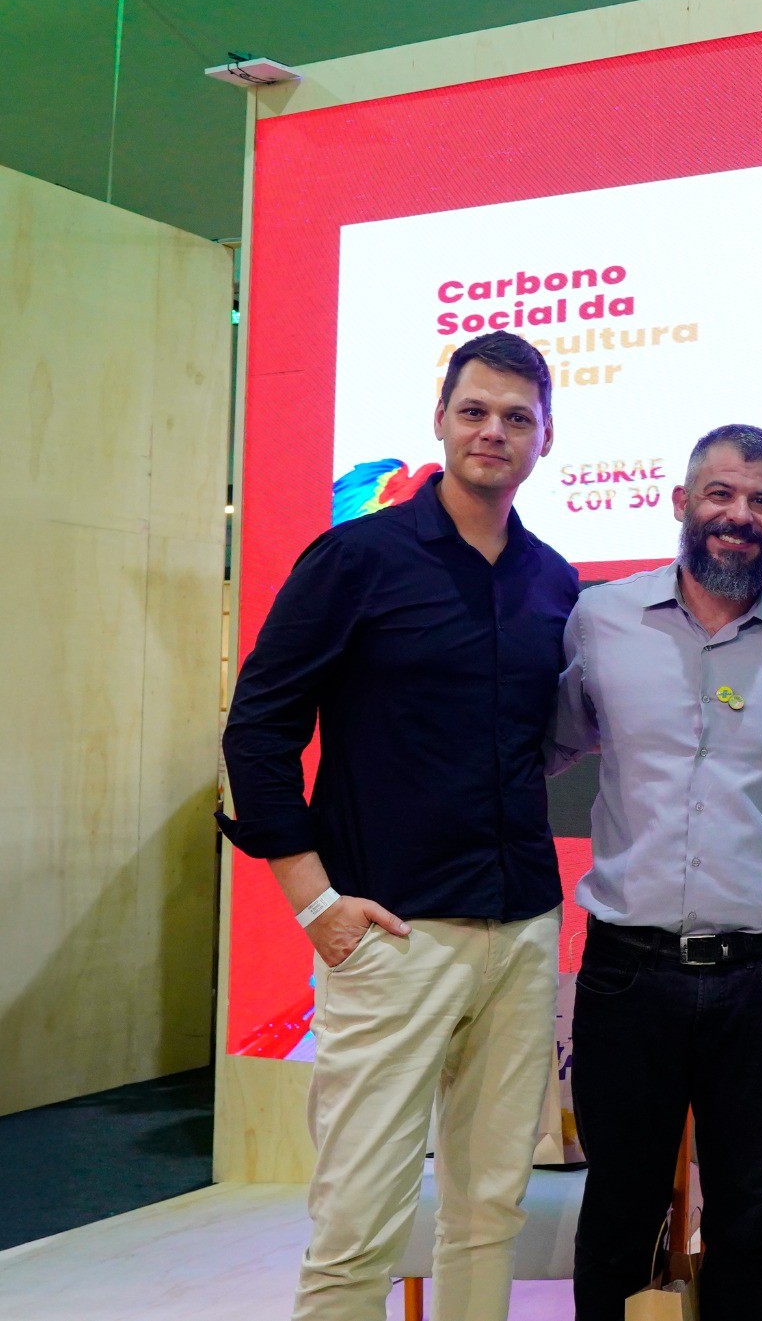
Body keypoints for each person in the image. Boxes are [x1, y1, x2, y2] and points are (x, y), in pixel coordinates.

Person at [219, 330, 579, 1321]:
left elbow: (537, 744)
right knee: (358, 1223)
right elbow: (257, 727)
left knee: (489, 1207)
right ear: (440, 420)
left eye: (516, 416)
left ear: (545, 438)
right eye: (475, 411)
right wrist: (313, 902)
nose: (492, 431)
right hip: (390, 937)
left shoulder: (553, 582)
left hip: (519, 931)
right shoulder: (357, 558)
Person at [551, 423, 762, 1321]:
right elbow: (552, 745)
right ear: (681, 504)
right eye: (720, 495)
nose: (738, 516)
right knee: (618, 1214)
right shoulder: (601, 620)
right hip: (623, 972)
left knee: (753, 1223)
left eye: (761, 502)